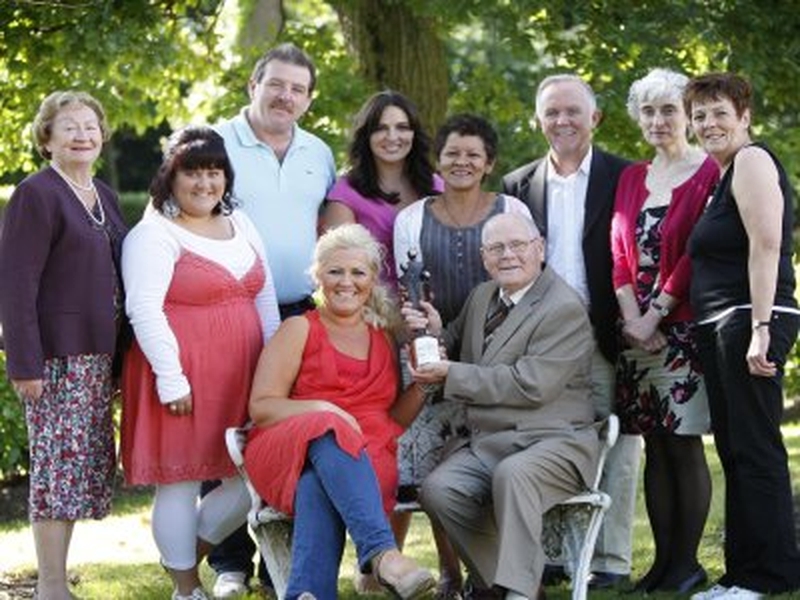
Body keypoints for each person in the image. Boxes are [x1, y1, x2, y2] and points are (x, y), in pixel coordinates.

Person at [120, 126, 281, 600]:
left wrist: (275, 371)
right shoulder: (152, 234)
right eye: (192, 172)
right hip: (181, 375)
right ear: (170, 177)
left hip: (243, 374)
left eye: (214, 172)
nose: (205, 183)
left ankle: (183, 555)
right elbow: (143, 309)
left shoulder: (240, 223)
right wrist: (171, 380)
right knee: (181, 480)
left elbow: (265, 297)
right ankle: (187, 588)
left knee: (251, 473)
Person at [405, 212, 599, 600]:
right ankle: (510, 586)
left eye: (517, 245)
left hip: (555, 441)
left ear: (539, 248)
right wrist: (434, 331)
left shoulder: (562, 306)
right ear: (484, 257)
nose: (507, 255)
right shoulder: (483, 296)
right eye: (496, 248)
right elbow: (454, 343)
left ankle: (518, 594)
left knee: (514, 474)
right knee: (439, 489)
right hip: (491, 442)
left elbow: (530, 385)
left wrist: (451, 373)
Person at [242, 223, 435, 600]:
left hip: (365, 457)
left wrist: (423, 386)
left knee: (317, 483)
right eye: (335, 271)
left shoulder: (383, 334)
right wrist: (324, 410)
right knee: (328, 428)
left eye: (357, 272)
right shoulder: (298, 328)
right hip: (289, 450)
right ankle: (384, 555)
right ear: (318, 276)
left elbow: (394, 419)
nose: (346, 282)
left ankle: (307, 593)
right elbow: (262, 407)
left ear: (373, 279)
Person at [501, 74, 639, 590]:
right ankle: (553, 556)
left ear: (594, 118)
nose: (563, 121)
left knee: (616, 444)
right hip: (540, 343)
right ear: (538, 121)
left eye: (573, 111)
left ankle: (610, 561)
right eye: (552, 112)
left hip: (606, 333)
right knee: (539, 443)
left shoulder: (626, 177)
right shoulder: (516, 186)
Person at [213, 42, 336, 596]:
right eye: (276, 84)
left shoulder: (318, 152)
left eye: (298, 89)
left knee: (287, 431)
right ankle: (229, 563)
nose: (286, 96)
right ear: (253, 86)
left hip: (300, 311)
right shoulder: (212, 142)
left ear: (308, 99)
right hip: (230, 308)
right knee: (227, 429)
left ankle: (276, 562)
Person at [393, 114, 531, 598]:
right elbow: (408, 292)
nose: (462, 162)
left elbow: (528, 280)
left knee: (486, 461)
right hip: (432, 355)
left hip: (497, 358)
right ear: (438, 159)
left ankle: (489, 569)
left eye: (474, 154)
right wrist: (423, 335)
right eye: (452, 153)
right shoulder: (411, 219)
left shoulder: (511, 209)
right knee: (437, 465)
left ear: (489, 163)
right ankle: (450, 571)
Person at [0, 90, 127, 600]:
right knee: (56, 473)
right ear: (47, 138)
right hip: (54, 359)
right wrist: (24, 364)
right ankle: (51, 587)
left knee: (76, 472)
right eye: (69, 126)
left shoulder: (104, 194)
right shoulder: (36, 194)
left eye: (90, 126)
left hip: (97, 357)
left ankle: (56, 582)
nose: (82, 135)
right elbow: (16, 285)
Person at [685, 73, 800, 600]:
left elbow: (767, 245)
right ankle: (740, 574)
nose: (708, 123)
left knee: (755, 449)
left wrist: (759, 328)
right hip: (722, 323)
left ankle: (769, 576)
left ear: (745, 116)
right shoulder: (723, 176)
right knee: (735, 450)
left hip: (750, 319)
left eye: (719, 112)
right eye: (699, 115)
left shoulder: (752, 160)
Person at [610, 68, 719, 593]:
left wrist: (654, 316)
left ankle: (688, 564)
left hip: (682, 330)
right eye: (648, 111)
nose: (658, 120)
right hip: (635, 334)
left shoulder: (708, 172)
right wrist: (633, 319)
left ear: (688, 117)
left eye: (669, 110)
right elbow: (618, 253)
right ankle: (661, 565)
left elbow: (696, 252)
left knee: (683, 442)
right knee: (653, 446)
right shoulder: (632, 177)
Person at [321, 89, 441, 289]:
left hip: (436, 302)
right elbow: (337, 269)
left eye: (402, 127)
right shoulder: (346, 193)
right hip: (373, 304)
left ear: (414, 133)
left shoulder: (437, 186)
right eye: (380, 128)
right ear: (366, 135)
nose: (392, 136)